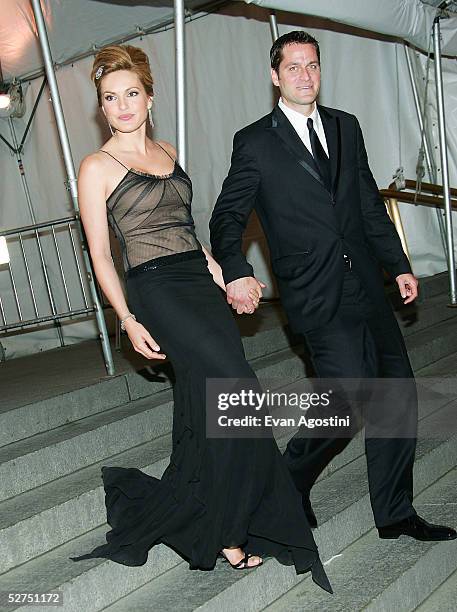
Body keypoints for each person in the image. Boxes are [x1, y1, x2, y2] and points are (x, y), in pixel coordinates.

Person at [71, 44, 332, 592]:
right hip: (154, 290)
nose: (121, 106)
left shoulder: (167, 150)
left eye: (131, 95)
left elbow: (184, 230)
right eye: (110, 99)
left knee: (212, 401)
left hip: (196, 281)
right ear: (101, 107)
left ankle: (215, 511)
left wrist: (221, 271)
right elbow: (101, 252)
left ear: (149, 97)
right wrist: (127, 319)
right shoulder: (96, 166)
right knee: (234, 389)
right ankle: (231, 528)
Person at [210, 30, 456, 542]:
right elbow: (226, 218)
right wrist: (235, 269)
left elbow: (367, 202)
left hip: (366, 283)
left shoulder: (346, 127)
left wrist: (399, 263)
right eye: (294, 67)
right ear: (275, 75)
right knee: (346, 399)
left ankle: (394, 514)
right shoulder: (255, 141)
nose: (306, 75)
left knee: (397, 395)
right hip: (314, 292)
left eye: (313, 65)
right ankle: (288, 481)